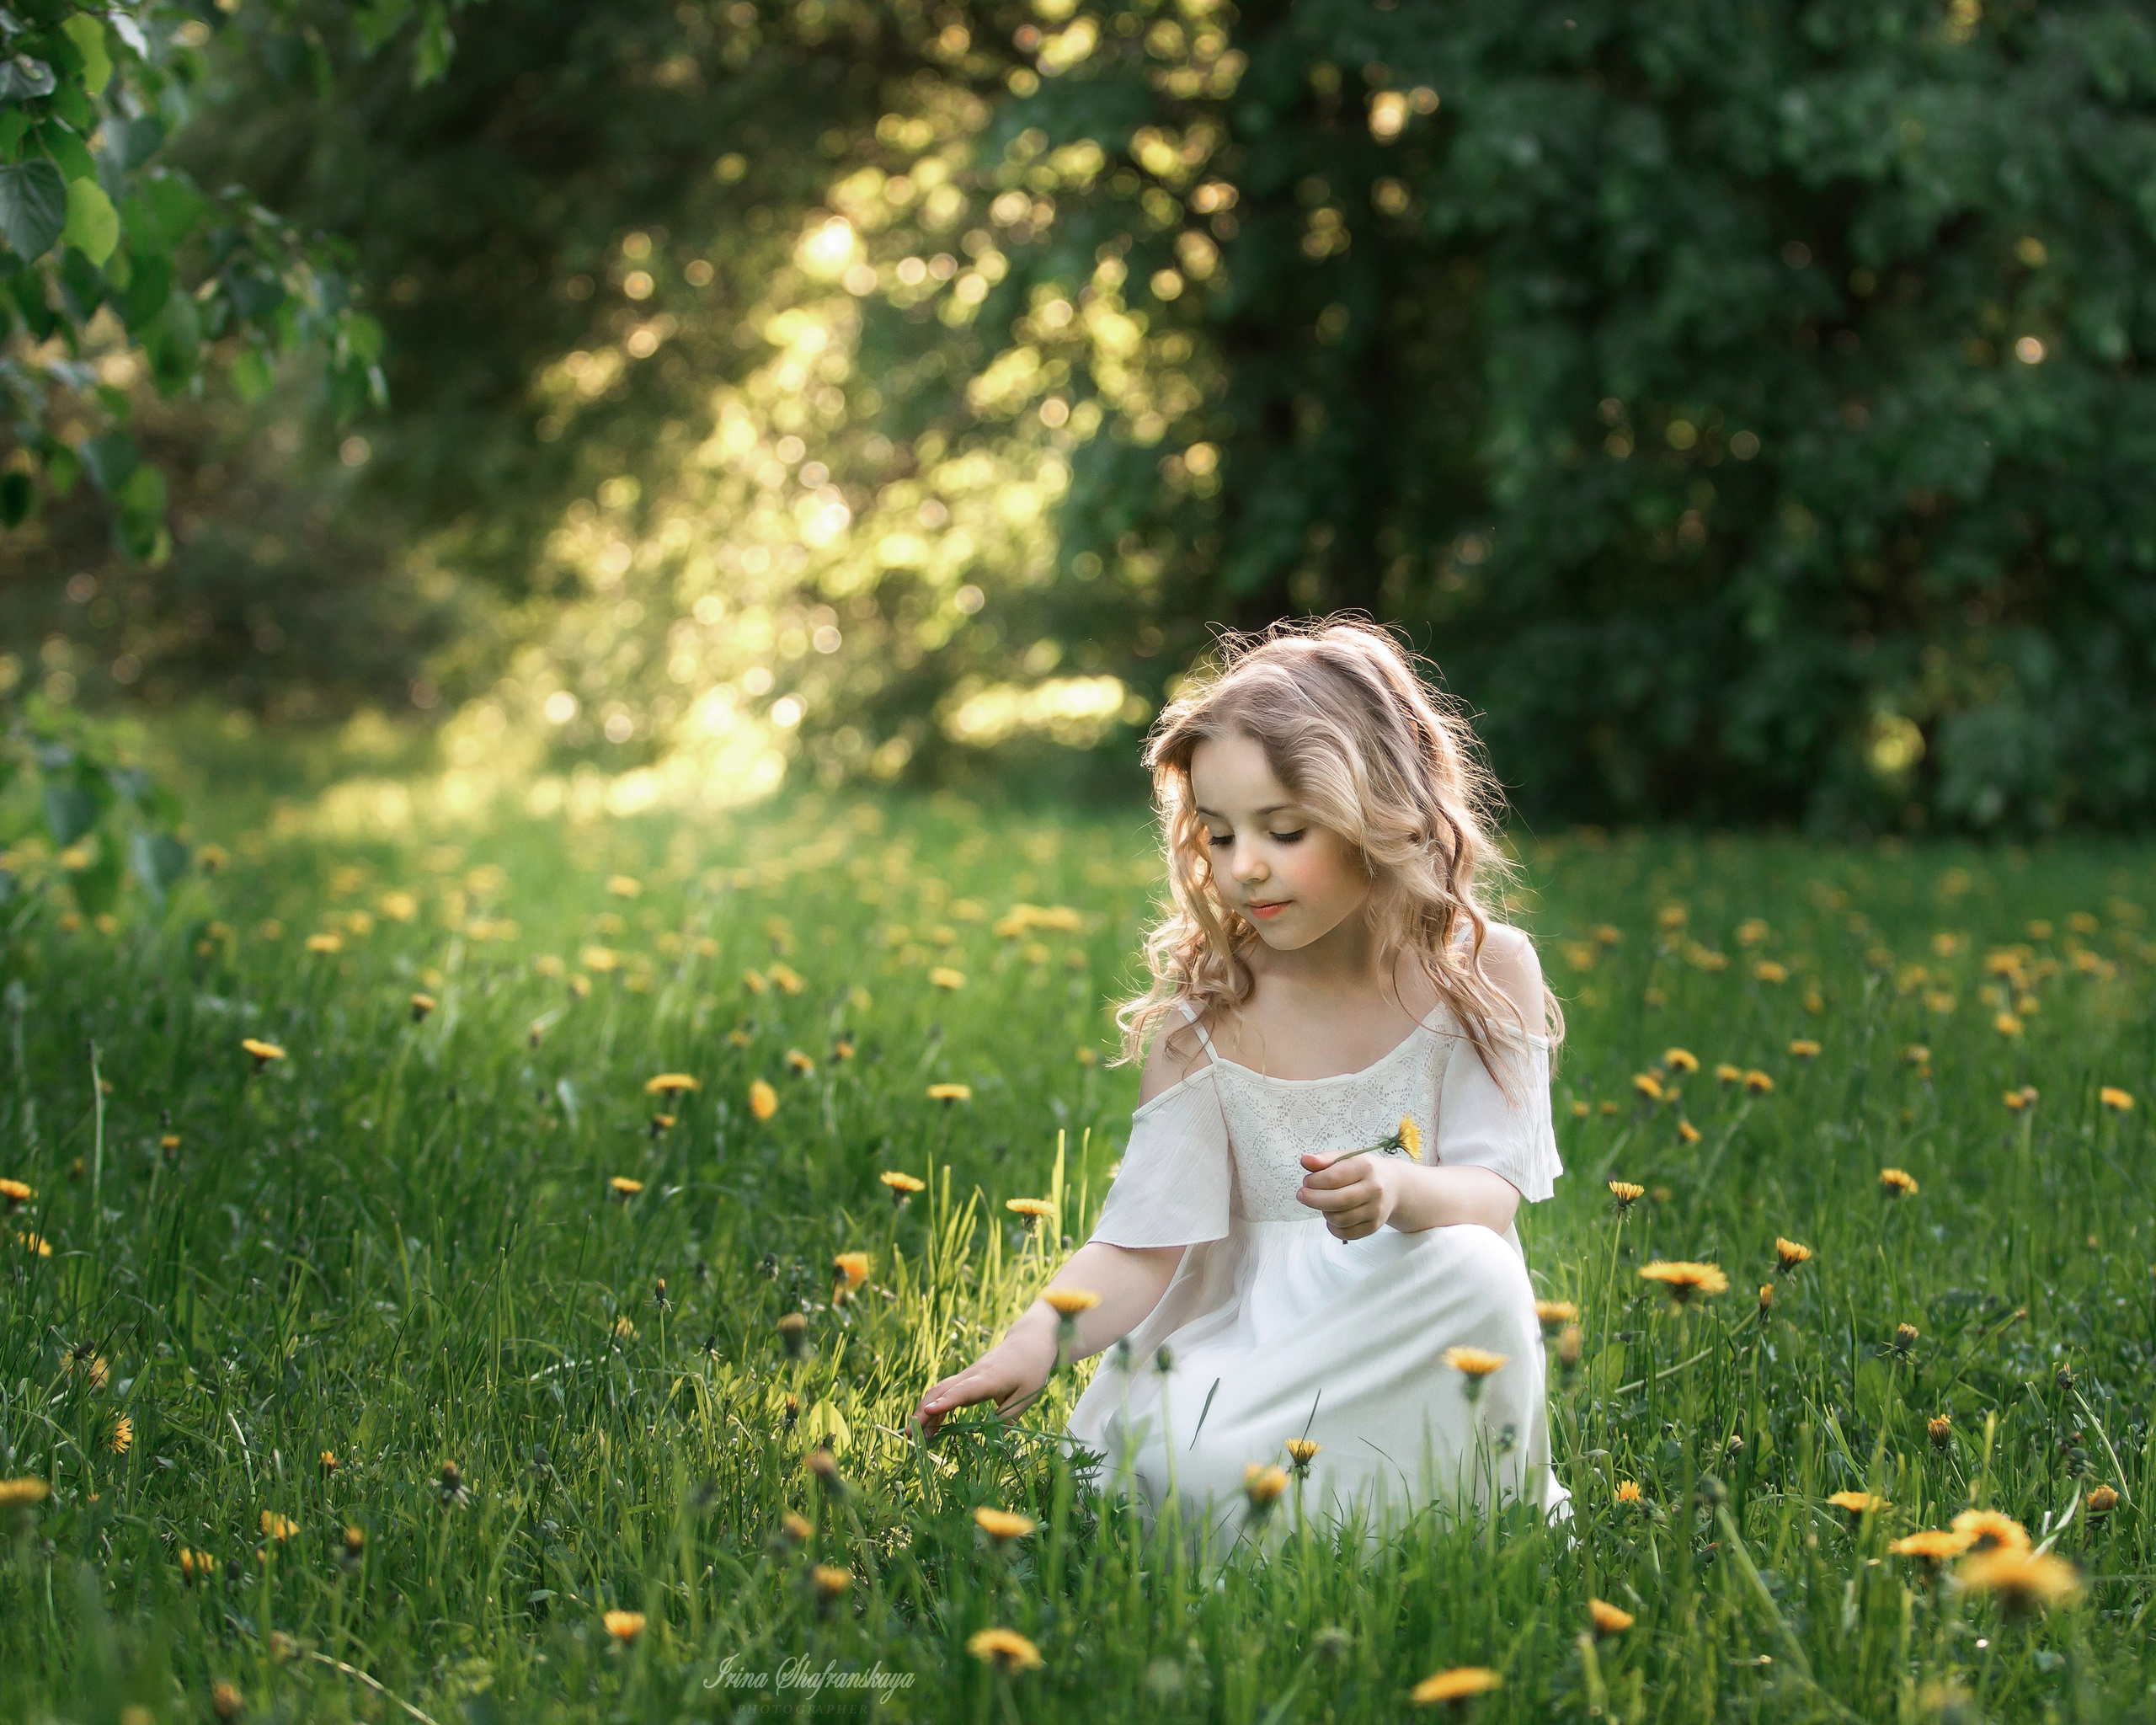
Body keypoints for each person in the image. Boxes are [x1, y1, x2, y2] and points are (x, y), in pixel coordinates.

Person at [910, 617, 1569, 1556]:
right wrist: (1030, 1346)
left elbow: (1491, 1193)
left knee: (1472, 1265)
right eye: (1218, 834)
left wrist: (1396, 1189)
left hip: (1409, 1303)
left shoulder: (1481, 969)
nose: (1242, 864)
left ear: (1377, 814)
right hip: (1242, 1334)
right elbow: (1141, 1246)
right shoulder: (1208, 1013)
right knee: (1198, 1464)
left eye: (1283, 829)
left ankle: (1442, 1526)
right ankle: (1276, 1511)